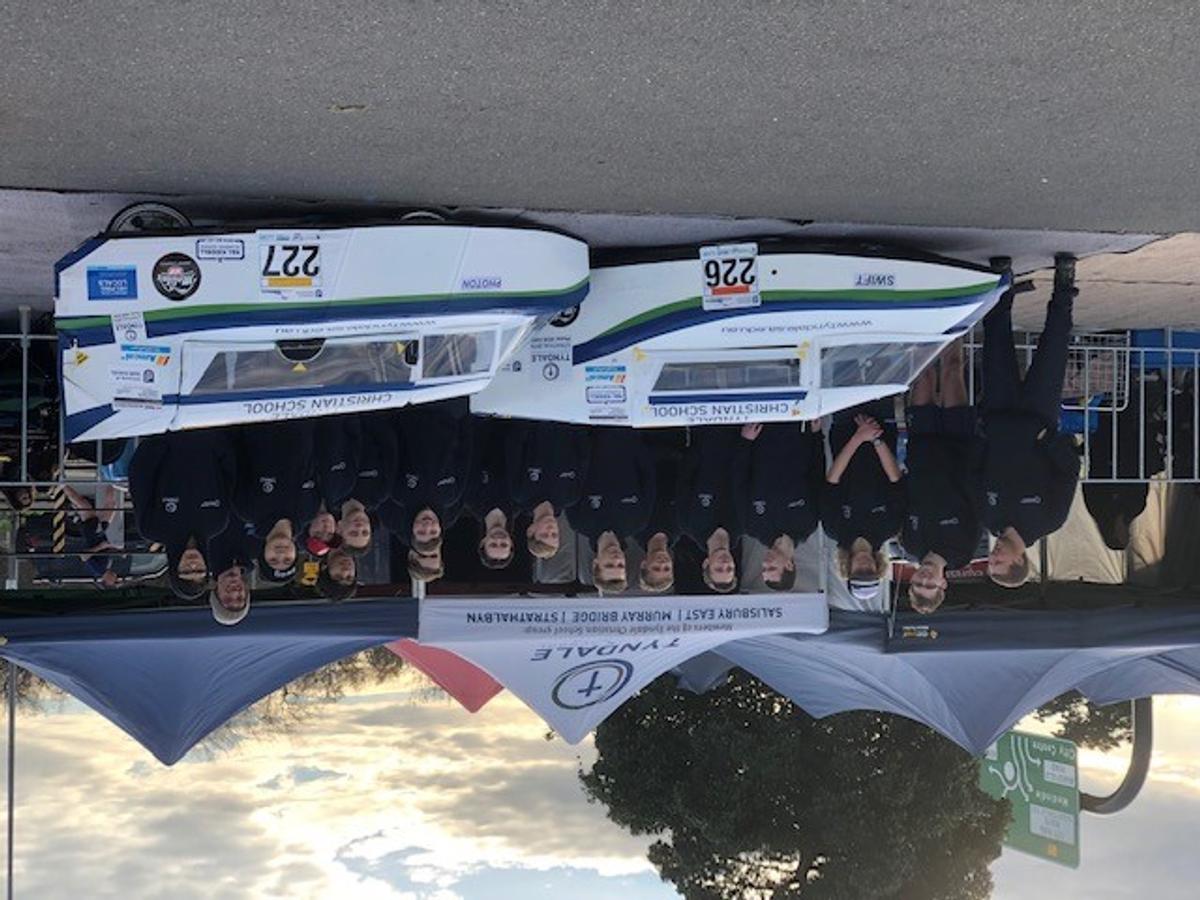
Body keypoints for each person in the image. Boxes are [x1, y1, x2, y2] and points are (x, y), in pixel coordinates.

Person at [974, 254, 1081, 588]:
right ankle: (1064, 283)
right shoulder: (1049, 520)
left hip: (998, 418)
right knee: (1053, 348)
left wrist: (981, 435)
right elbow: (1068, 472)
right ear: (1019, 560)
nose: (993, 557)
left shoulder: (987, 516)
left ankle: (1001, 282)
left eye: (990, 562)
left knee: (995, 346)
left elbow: (975, 472)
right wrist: (1048, 439)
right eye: (999, 563)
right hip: (1038, 418)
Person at [903, 340, 983, 614]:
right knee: (952, 370)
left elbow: (905, 497)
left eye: (918, 584)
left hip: (921, 446)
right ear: (943, 583)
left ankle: (923, 327)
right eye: (930, 585)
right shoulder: (964, 551)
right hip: (959, 446)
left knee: (923, 374)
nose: (925, 579)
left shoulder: (910, 544)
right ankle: (955, 327)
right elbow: (976, 501)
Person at [129, 430, 237, 599]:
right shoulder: (217, 523)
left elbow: (140, 476)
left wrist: (163, 441)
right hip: (210, 430)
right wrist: (217, 440)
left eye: (186, 571)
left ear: (174, 568)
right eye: (199, 570)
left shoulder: (152, 528)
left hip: (165, 431)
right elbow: (229, 474)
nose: (193, 564)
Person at [821, 402, 905, 605]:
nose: (864, 566)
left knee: (842, 383)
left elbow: (832, 480)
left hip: (845, 433)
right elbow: (895, 479)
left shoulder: (834, 529)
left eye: (859, 571)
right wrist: (875, 439)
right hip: (881, 432)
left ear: (848, 569)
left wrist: (858, 438)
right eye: (870, 571)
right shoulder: (889, 528)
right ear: (878, 568)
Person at [733, 421, 824, 591]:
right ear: (789, 565)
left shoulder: (752, 527)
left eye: (764, 569)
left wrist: (745, 442)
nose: (765, 563)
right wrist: (816, 435)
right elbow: (817, 473)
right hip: (794, 435)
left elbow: (739, 480)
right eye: (772, 568)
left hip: (759, 435)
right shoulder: (808, 523)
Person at [567, 429, 656, 594]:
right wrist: (635, 439)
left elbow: (574, 474)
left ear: (596, 563)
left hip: (590, 430)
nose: (616, 559)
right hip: (631, 432)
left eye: (609, 565)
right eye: (620, 565)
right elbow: (648, 476)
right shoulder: (637, 522)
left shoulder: (579, 522)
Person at [233, 420, 320, 583]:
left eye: (273, 559)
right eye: (287, 559)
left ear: (263, 552)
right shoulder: (309, 511)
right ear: (295, 553)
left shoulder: (247, 509)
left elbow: (237, 454)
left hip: (260, 418)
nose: (281, 554)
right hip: (302, 419)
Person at [392, 402, 473, 556]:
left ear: (411, 528)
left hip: (411, 408)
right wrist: (464, 417)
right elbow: (465, 454)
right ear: (440, 528)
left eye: (421, 532)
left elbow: (394, 448)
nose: (427, 526)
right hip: (450, 412)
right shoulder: (451, 496)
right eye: (433, 531)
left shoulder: (399, 494)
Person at [673, 426, 743, 593]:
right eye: (729, 568)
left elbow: (685, 478)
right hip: (739, 434)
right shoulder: (743, 525)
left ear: (706, 563)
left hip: (704, 434)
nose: (725, 564)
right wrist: (745, 442)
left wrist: (701, 447)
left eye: (719, 569)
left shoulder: (688, 525)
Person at [506, 421, 590, 559]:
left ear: (531, 530)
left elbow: (514, 446)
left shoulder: (521, 493)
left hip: (536, 419)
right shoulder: (570, 497)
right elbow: (583, 456)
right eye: (554, 534)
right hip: (569, 420)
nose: (550, 529)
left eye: (544, 534)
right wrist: (577, 425)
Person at [207, 520, 255, 625]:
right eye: (240, 598)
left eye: (227, 599)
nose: (234, 593)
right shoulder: (256, 549)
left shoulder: (202, 554)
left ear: (216, 593)